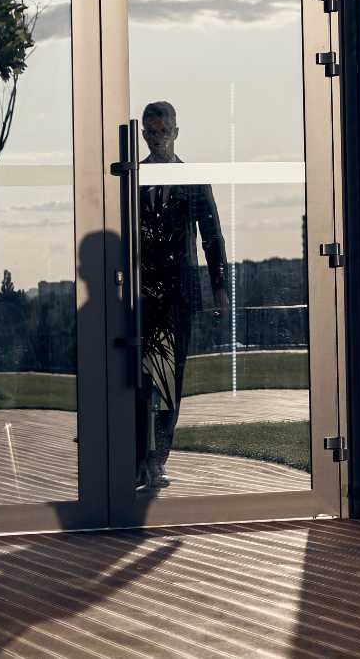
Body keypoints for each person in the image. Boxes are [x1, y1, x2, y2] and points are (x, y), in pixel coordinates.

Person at [135, 100, 228, 494]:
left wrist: (220, 289)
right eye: (150, 132)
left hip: (180, 294)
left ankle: (158, 461)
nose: (157, 139)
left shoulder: (193, 178)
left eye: (163, 131)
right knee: (140, 379)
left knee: (171, 378)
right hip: (140, 295)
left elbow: (212, 235)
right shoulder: (131, 177)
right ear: (142, 134)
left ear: (176, 132)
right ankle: (139, 460)